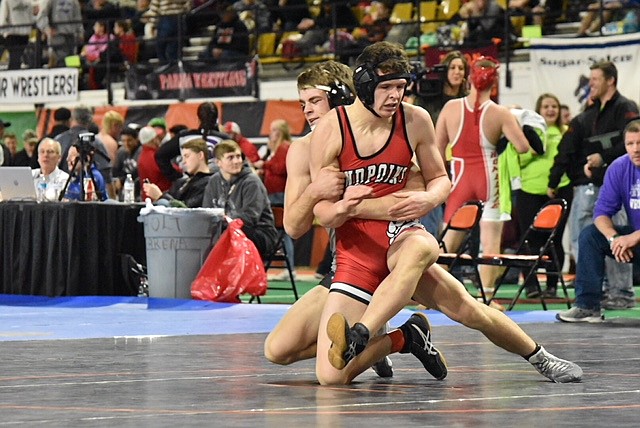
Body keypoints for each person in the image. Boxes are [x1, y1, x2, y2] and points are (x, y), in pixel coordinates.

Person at [309, 43, 582, 385]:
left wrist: (427, 200)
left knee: (460, 297)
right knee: (330, 379)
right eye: (386, 87)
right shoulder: (331, 130)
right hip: (357, 254)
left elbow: (440, 178)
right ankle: (404, 337)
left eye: (400, 86)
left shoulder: (414, 119)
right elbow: (321, 210)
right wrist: (341, 209)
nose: (395, 95)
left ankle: (542, 358)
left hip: (400, 236)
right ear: (363, 86)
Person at [265, 60, 398, 379]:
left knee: (470, 310)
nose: (307, 111)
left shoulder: (375, 136)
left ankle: (536, 354)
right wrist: (314, 191)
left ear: (341, 98)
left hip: (395, 258)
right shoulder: (303, 150)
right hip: (346, 271)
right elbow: (293, 228)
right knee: (277, 350)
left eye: (314, 101)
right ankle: (397, 339)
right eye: (303, 103)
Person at [435, 56, 534, 297]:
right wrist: (514, 122)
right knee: (490, 243)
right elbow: (523, 147)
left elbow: (437, 149)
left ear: (470, 79)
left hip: (459, 179)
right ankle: (486, 296)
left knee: (447, 243)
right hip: (488, 180)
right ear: (495, 82)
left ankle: (432, 298)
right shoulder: (500, 113)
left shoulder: (450, 108)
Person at [548, 61, 639, 310]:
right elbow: (567, 150)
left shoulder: (625, 108)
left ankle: (620, 292)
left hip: (621, 186)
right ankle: (591, 295)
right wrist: (554, 180)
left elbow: (629, 141)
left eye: (596, 79)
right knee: (586, 236)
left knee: (621, 235)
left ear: (610, 80)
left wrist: (604, 157)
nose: (591, 84)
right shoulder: (588, 115)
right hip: (592, 183)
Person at [557, 118, 640, 322]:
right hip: (635, 240)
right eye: (630, 144)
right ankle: (587, 305)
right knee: (590, 236)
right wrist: (614, 239)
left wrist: (632, 238)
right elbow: (601, 213)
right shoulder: (619, 168)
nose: (635, 149)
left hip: (636, 238)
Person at [502, 93, 572, 298]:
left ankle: (552, 286)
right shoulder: (525, 132)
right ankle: (531, 286)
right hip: (528, 191)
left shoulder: (566, 132)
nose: (550, 110)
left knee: (555, 240)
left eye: (554, 106)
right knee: (528, 239)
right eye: (546, 107)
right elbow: (512, 158)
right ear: (538, 112)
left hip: (560, 189)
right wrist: (531, 153)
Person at [413, 50, 470, 237]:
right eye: (452, 67)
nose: (457, 72)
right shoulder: (429, 98)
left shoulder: (468, 102)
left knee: (462, 214)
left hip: (461, 165)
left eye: (461, 68)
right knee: (432, 212)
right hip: (432, 162)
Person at [202, 140, 278, 258]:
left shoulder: (251, 182)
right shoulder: (214, 181)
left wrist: (224, 223)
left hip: (260, 233)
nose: (237, 161)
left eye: (238, 156)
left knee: (225, 236)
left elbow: (250, 217)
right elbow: (207, 212)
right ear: (218, 162)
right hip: (227, 231)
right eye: (230, 158)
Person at [256, 119, 294, 278]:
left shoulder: (284, 147)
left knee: (283, 232)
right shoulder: (275, 148)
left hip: (279, 195)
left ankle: (290, 268)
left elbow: (280, 168)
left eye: (273, 130)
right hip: (273, 193)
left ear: (280, 131)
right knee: (280, 233)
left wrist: (264, 165)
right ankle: (288, 269)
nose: (270, 134)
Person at [155, 102, 229, 183]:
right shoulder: (223, 139)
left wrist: (177, 177)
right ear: (216, 119)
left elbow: (160, 155)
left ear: (198, 118)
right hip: (218, 185)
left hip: (191, 185)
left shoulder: (184, 137)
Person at [54, 106, 113, 198]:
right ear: (90, 120)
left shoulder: (58, 141)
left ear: (72, 119)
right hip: (91, 197)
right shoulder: (96, 143)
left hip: (61, 197)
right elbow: (107, 176)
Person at [143, 137, 213, 208]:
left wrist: (160, 196)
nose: (184, 161)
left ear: (200, 155)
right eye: (183, 158)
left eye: (187, 156)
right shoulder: (182, 182)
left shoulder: (209, 184)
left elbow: (187, 211)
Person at [36, 0, 84, 68]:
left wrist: (80, 32)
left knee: (73, 63)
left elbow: (78, 17)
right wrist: (47, 29)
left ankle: (75, 77)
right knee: (60, 63)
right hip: (57, 36)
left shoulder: (74, 1)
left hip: (72, 36)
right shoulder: (50, 1)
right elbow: (41, 16)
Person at [145, 0, 190, 64]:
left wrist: (153, 25)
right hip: (179, 19)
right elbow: (188, 5)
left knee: (160, 47)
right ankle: (173, 68)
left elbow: (154, 9)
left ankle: (166, 67)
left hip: (166, 19)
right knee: (175, 49)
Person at [137, 125, 173, 201]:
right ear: (154, 139)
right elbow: (173, 171)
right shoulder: (156, 156)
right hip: (159, 199)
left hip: (147, 200)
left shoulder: (141, 157)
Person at [0, 0, 35, 70]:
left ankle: (12, 75)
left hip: (17, 34)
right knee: (15, 58)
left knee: (15, 59)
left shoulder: (28, 2)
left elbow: (2, 19)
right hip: (17, 34)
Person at [113, 126, 142, 201]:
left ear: (136, 139)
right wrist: (116, 180)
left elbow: (138, 171)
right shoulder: (121, 152)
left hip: (137, 187)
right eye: (123, 141)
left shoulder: (141, 151)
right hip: (124, 188)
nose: (126, 143)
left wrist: (122, 180)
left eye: (129, 140)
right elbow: (115, 169)